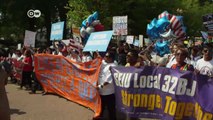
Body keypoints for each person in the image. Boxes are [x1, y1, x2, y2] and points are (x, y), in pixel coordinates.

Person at [96, 52, 117, 120]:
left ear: (111, 58)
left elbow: (108, 80)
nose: (105, 58)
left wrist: (100, 86)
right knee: (101, 108)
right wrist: (98, 54)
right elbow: (101, 61)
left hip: (109, 93)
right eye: (105, 56)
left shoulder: (113, 66)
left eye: (106, 56)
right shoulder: (107, 64)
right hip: (103, 93)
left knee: (111, 110)